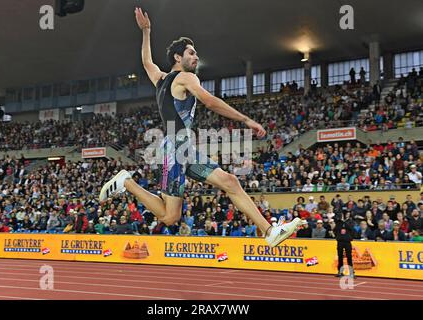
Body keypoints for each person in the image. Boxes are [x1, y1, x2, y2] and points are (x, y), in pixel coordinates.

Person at [99, 7, 303, 248]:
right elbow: (210, 101)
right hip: (175, 149)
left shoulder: (161, 80)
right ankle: (127, 183)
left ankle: (269, 231)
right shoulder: (186, 77)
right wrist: (245, 119)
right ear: (178, 57)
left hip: (183, 149)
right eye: (191, 53)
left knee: (230, 182)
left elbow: (147, 62)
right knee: (170, 216)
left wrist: (146, 31)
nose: (196, 57)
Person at [334, 211, 355, 278]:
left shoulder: (350, 222)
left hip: (347, 242)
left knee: (349, 257)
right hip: (340, 241)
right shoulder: (338, 222)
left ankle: (351, 273)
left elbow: (351, 229)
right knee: (340, 257)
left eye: (347, 214)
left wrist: (344, 222)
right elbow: (335, 230)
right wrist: (337, 237)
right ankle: (340, 272)